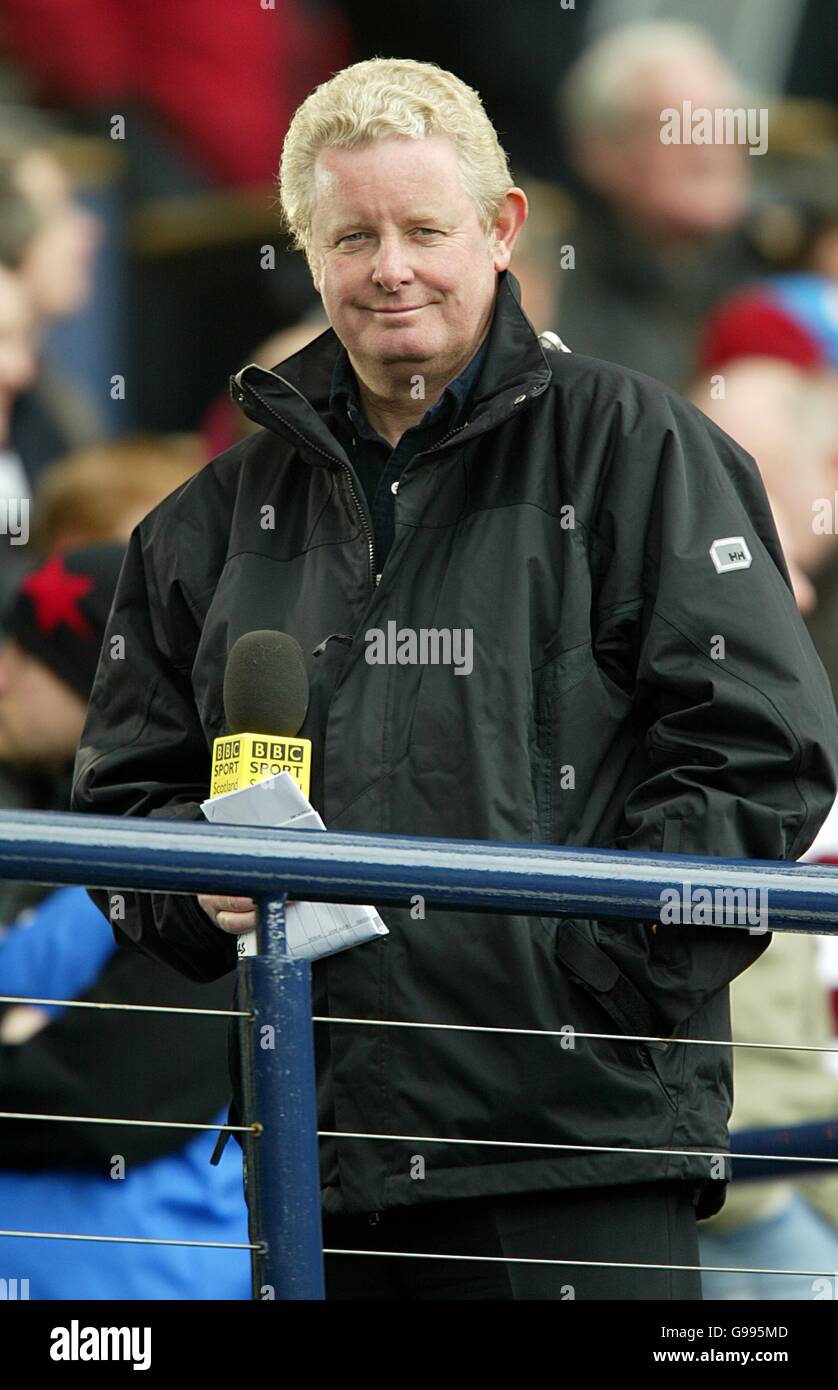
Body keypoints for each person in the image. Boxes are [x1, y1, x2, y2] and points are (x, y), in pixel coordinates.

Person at [72, 57, 838, 1301]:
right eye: (353, 234)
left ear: (502, 229)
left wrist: (599, 978)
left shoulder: (643, 450)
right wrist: (193, 889)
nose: (391, 267)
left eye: (426, 228)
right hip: (314, 1167)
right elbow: (120, 800)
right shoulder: (201, 525)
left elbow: (762, 748)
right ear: (305, 250)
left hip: (578, 1162)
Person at [0, 544, 250, 1299]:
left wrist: (30, 1037)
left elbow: (105, 1097)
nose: (3, 671)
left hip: (134, 1295)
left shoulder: (213, 848)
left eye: (35, 650)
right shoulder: (52, 835)